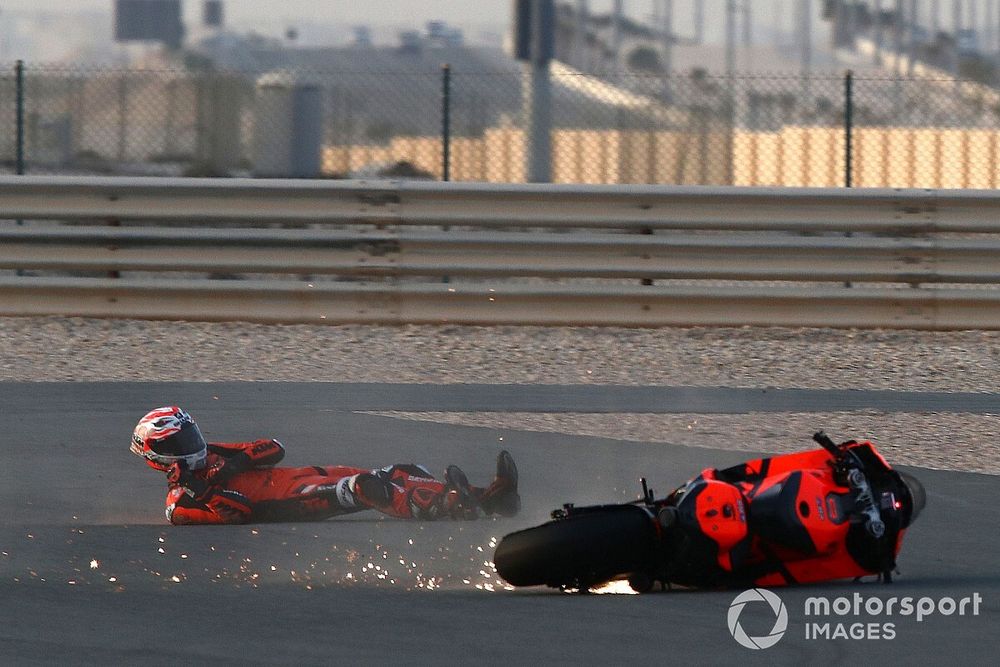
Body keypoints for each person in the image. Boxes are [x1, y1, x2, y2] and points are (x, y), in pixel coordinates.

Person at [130, 406, 520, 525]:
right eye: (180, 443)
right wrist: (208, 487)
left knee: (402, 469)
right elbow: (239, 513)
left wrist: (226, 466)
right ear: (158, 455)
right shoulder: (180, 502)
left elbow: (272, 448)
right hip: (293, 500)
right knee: (369, 487)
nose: (193, 444)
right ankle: (448, 508)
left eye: (191, 434)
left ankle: (487, 497)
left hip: (308, 473)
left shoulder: (215, 453)